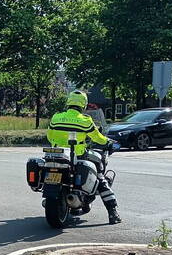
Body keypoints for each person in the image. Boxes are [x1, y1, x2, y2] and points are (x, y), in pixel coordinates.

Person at [47, 90, 121, 224]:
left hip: (55, 155)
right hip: (78, 155)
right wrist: (109, 143)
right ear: (84, 105)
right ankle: (113, 212)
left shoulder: (56, 117)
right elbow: (97, 138)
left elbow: (49, 136)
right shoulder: (85, 120)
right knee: (100, 176)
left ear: (69, 102)